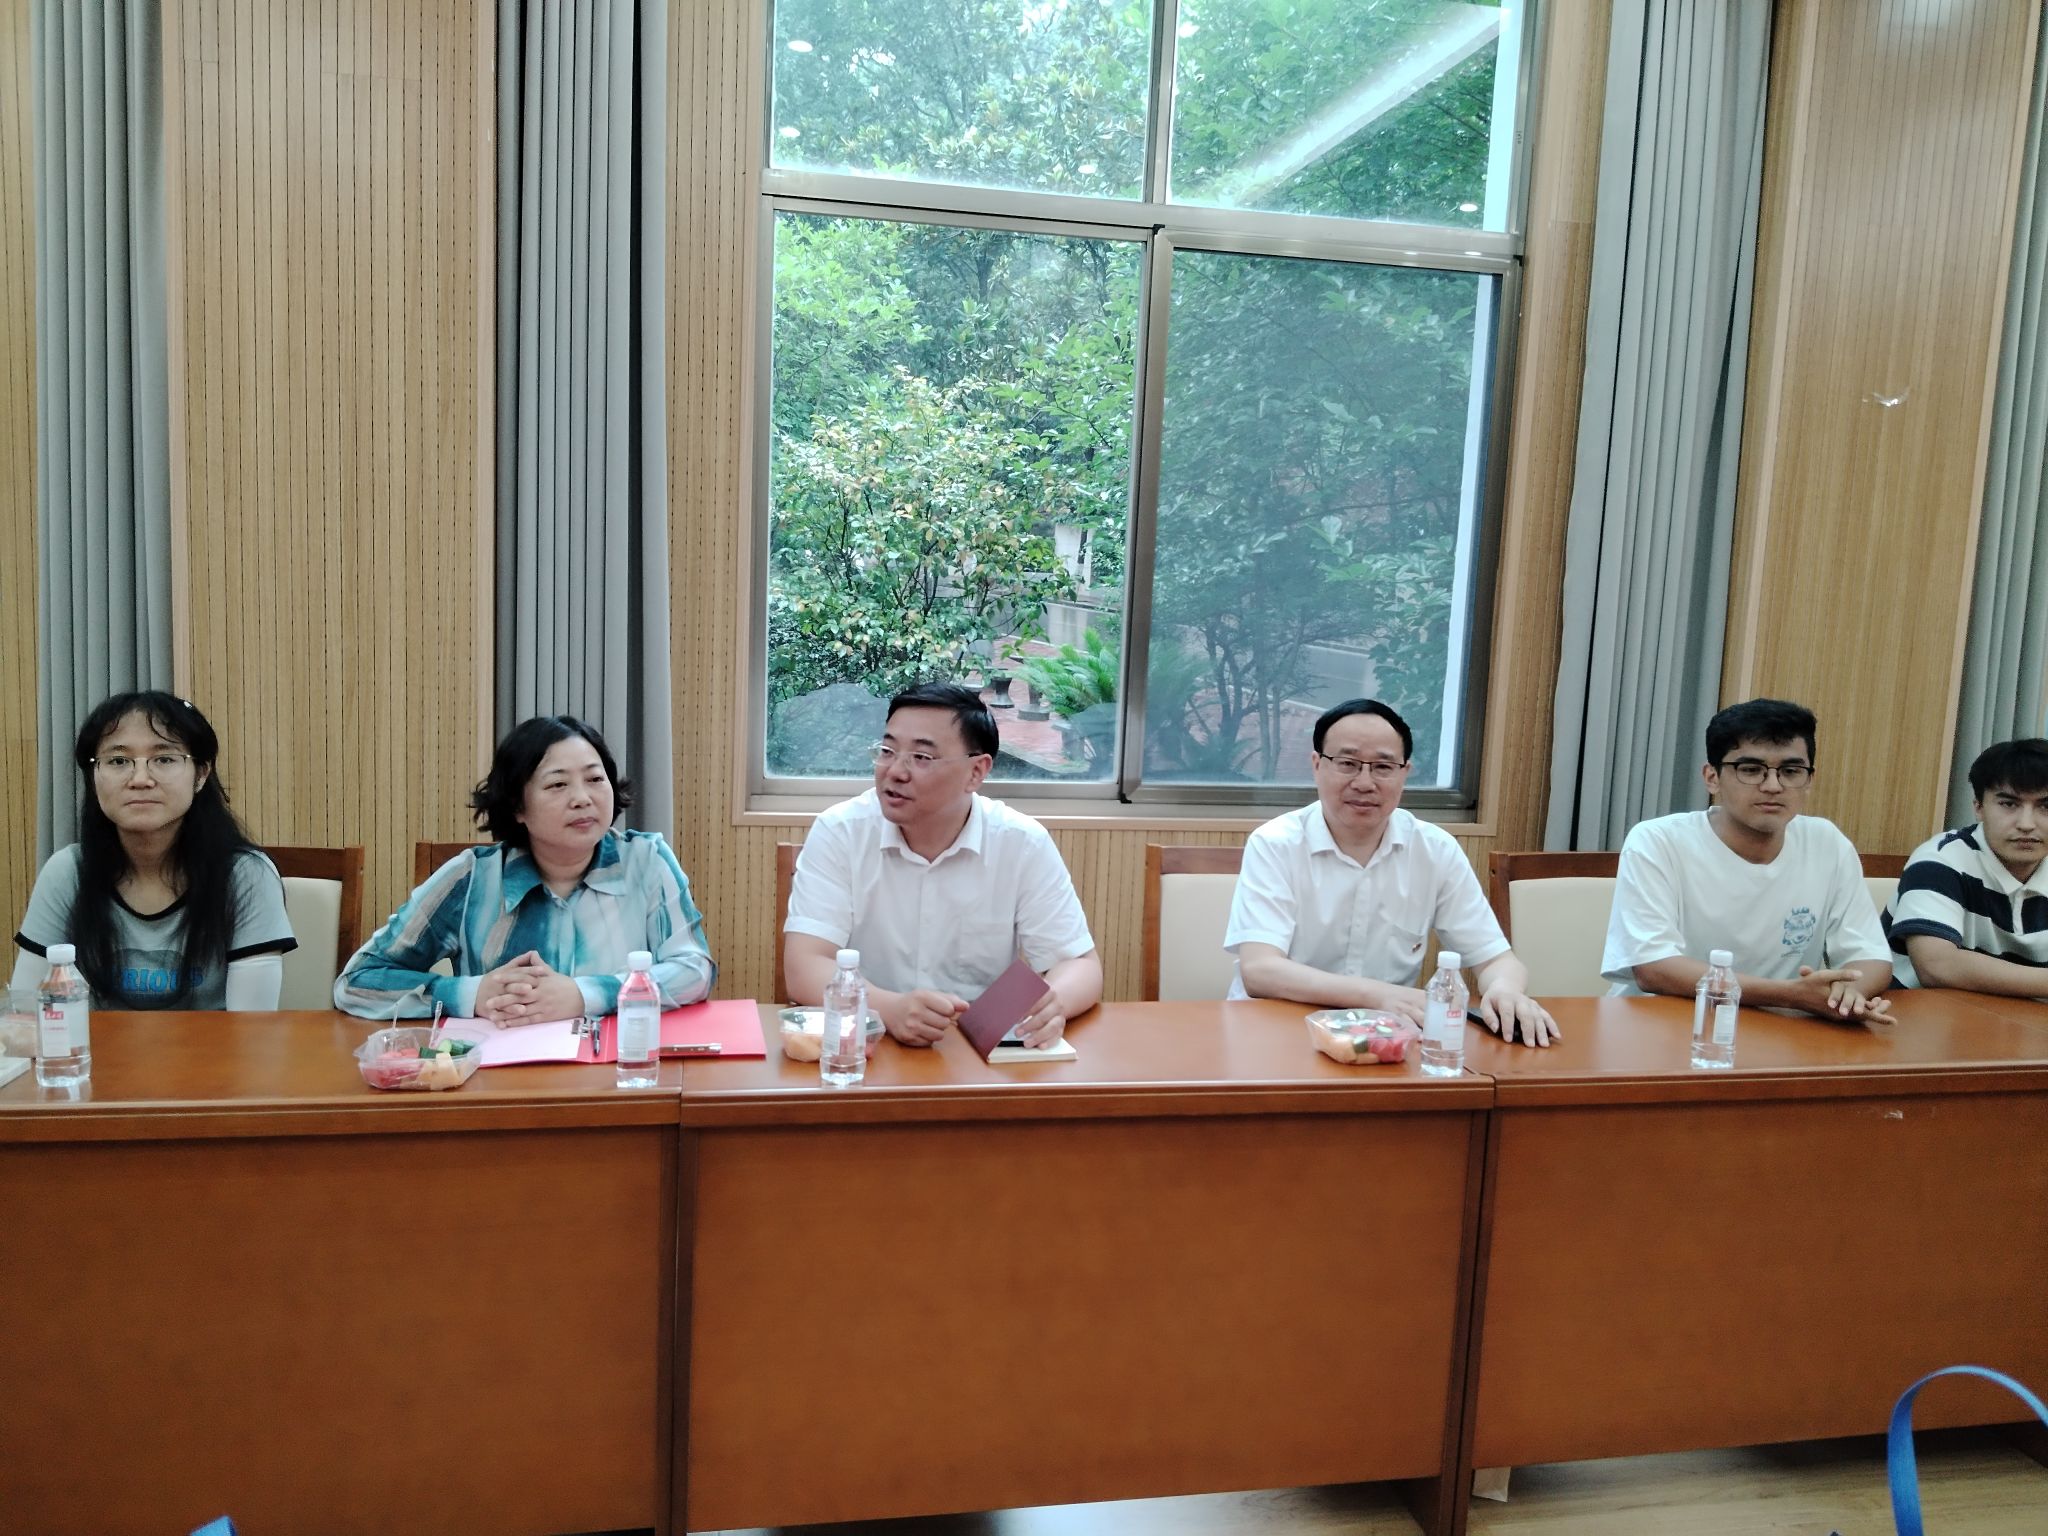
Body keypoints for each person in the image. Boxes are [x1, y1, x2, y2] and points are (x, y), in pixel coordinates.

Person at [783, 681, 1101, 1048]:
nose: (895, 771)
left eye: (921, 757)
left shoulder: (1021, 843)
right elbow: (805, 966)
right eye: (887, 751)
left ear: (976, 772)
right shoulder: (840, 831)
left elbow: (1079, 964)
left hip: (977, 1053)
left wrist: (1052, 1003)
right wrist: (888, 1008)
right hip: (865, 1048)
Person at [1227, 698, 1559, 1046]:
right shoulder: (1275, 843)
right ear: (1317, 765)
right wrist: (1378, 995)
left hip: (1386, 1043)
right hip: (1277, 1034)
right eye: (1348, 763)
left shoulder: (1435, 850)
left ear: (1404, 772)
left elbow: (1496, 959)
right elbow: (1260, 970)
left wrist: (1506, 990)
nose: (1364, 782)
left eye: (1383, 767)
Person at [335, 716, 714, 1019]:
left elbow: (695, 970)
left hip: (617, 1072)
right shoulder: (471, 878)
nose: (582, 798)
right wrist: (470, 994)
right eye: (558, 785)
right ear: (517, 806)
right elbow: (358, 981)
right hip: (498, 1078)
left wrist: (585, 994)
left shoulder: (646, 860)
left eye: (595, 779)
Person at [1603, 697, 1892, 1017]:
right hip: (1662, 1023)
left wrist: (1848, 995)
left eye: (1791, 771)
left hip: (1783, 1032)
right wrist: (1791, 996)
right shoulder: (1658, 841)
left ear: (1809, 779)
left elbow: (1871, 956)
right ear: (1712, 777)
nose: (1773, 785)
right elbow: (1653, 968)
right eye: (1751, 770)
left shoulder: (1827, 843)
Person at [12, 692, 296, 1010]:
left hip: (218, 1045)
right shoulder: (69, 871)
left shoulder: (244, 875)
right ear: (93, 776)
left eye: (164, 759)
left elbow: (252, 1027)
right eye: (118, 761)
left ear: (201, 774)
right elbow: (27, 1011)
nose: (140, 779)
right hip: (94, 1044)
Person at [1885, 738, 2048, 995]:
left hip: (2018, 1017)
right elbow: (1936, 966)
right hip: (1913, 1012)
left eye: (2045, 806)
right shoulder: (1941, 860)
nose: (2026, 824)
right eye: (2009, 804)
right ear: (1978, 807)